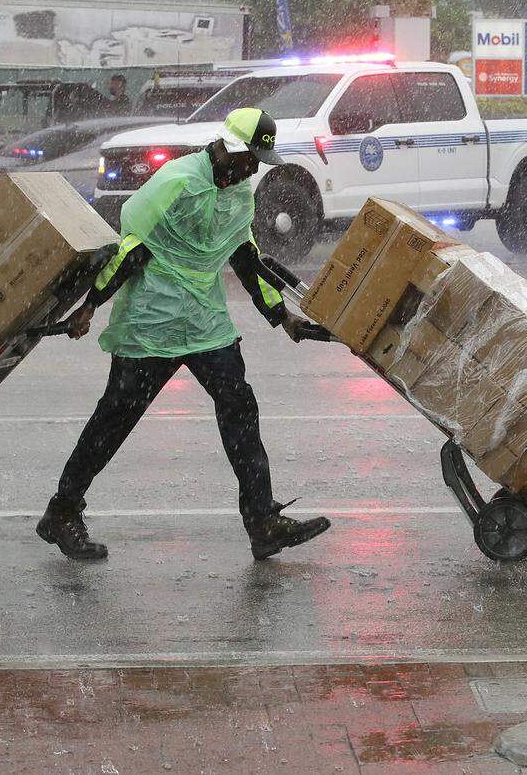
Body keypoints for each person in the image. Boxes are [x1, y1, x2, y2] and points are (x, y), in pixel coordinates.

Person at [37, 107, 332, 562]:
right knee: (115, 418)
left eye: (259, 162)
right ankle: (62, 511)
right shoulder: (177, 182)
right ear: (229, 149)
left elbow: (244, 256)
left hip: (204, 321)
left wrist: (282, 316)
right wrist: (91, 306)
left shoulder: (238, 195)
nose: (254, 170)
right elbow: (131, 249)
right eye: (250, 159)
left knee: (239, 404)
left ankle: (262, 521)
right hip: (152, 321)